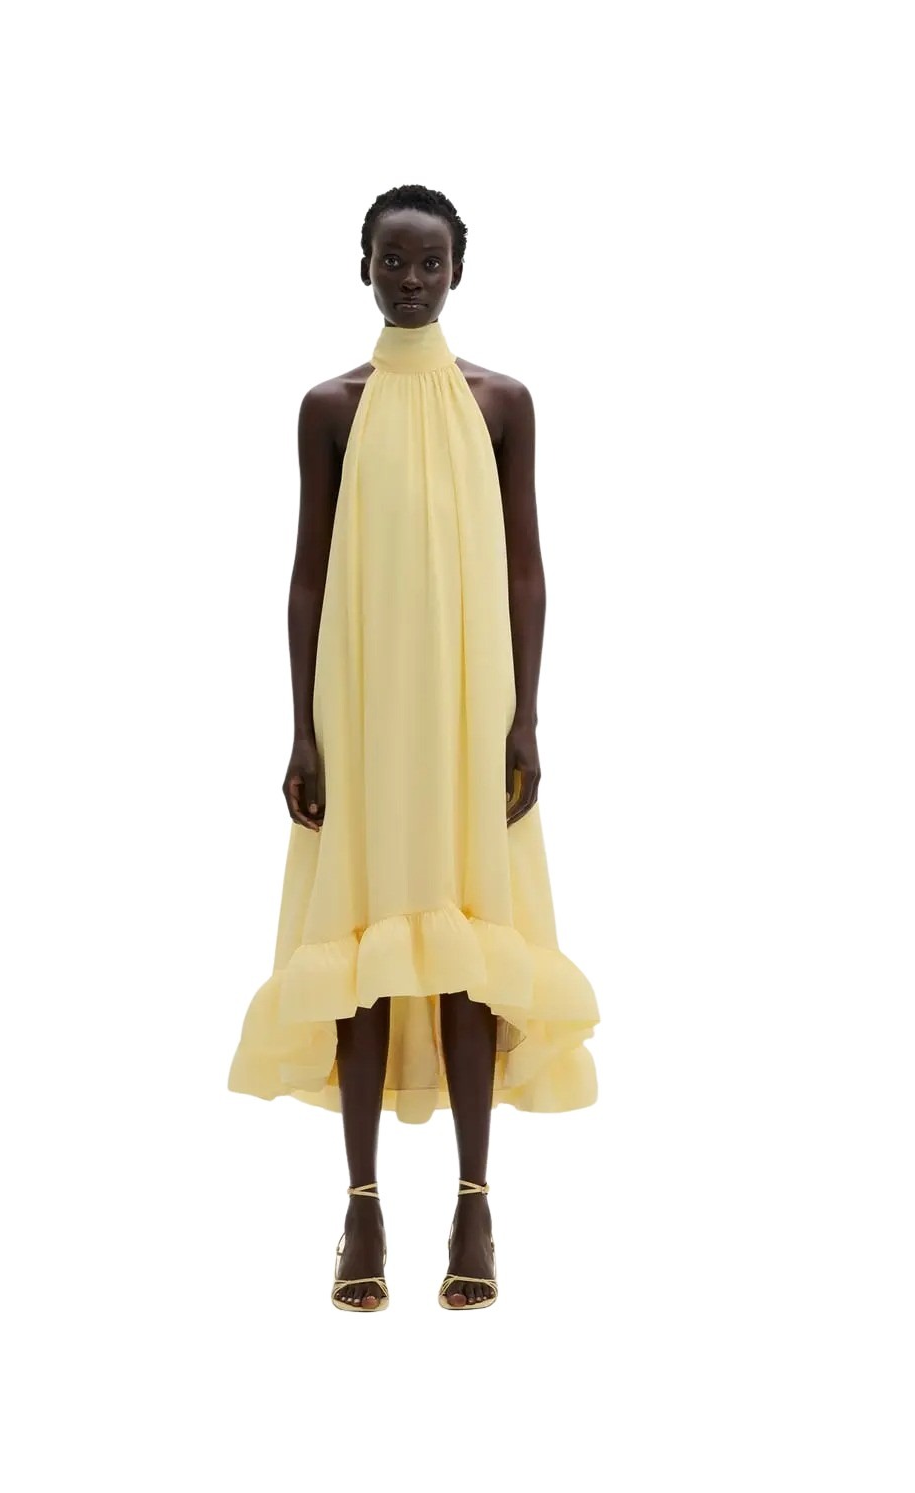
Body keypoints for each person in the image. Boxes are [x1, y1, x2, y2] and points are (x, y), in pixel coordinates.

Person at [228, 184, 600, 1312]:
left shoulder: (502, 403)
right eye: (392, 261)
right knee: (363, 935)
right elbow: (307, 576)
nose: (410, 280)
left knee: (465, 934)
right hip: (363, 703)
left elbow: (526, 568)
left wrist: (525, 717)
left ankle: (474, 1205)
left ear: (457, 272)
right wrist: (302, 726)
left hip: (469, 705)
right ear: (363, 269)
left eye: (429, 262)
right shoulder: (329, 409)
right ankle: (362, 1208)